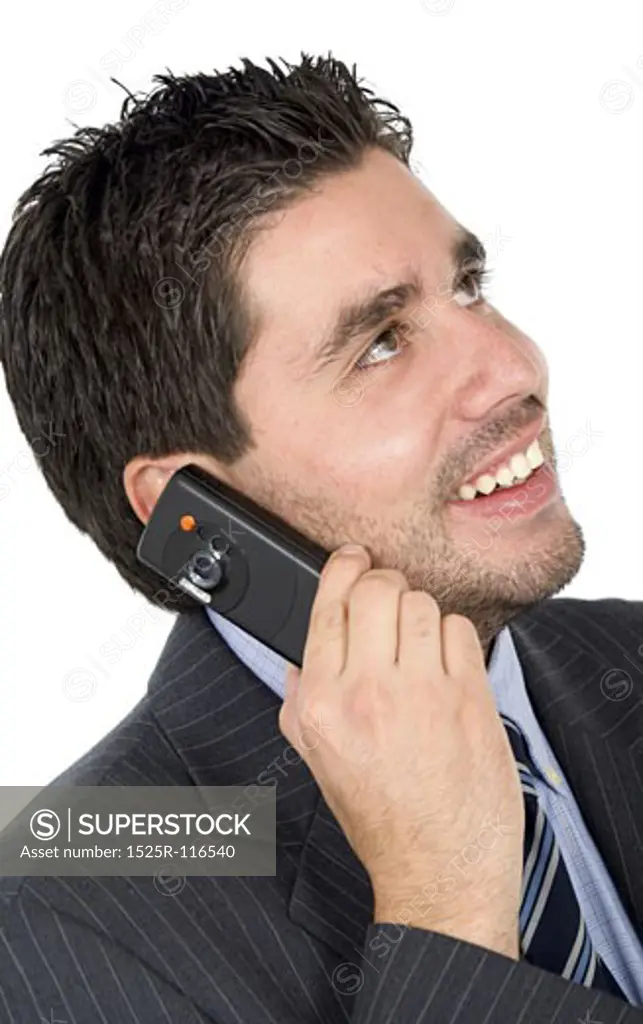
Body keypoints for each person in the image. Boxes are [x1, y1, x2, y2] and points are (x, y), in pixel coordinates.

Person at [0, 54, 641, 1023]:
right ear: (194, 507)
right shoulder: (60, 915)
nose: (513, 368)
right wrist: (445, 912)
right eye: (380, 341)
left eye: (466, 286)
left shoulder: (626, 658)